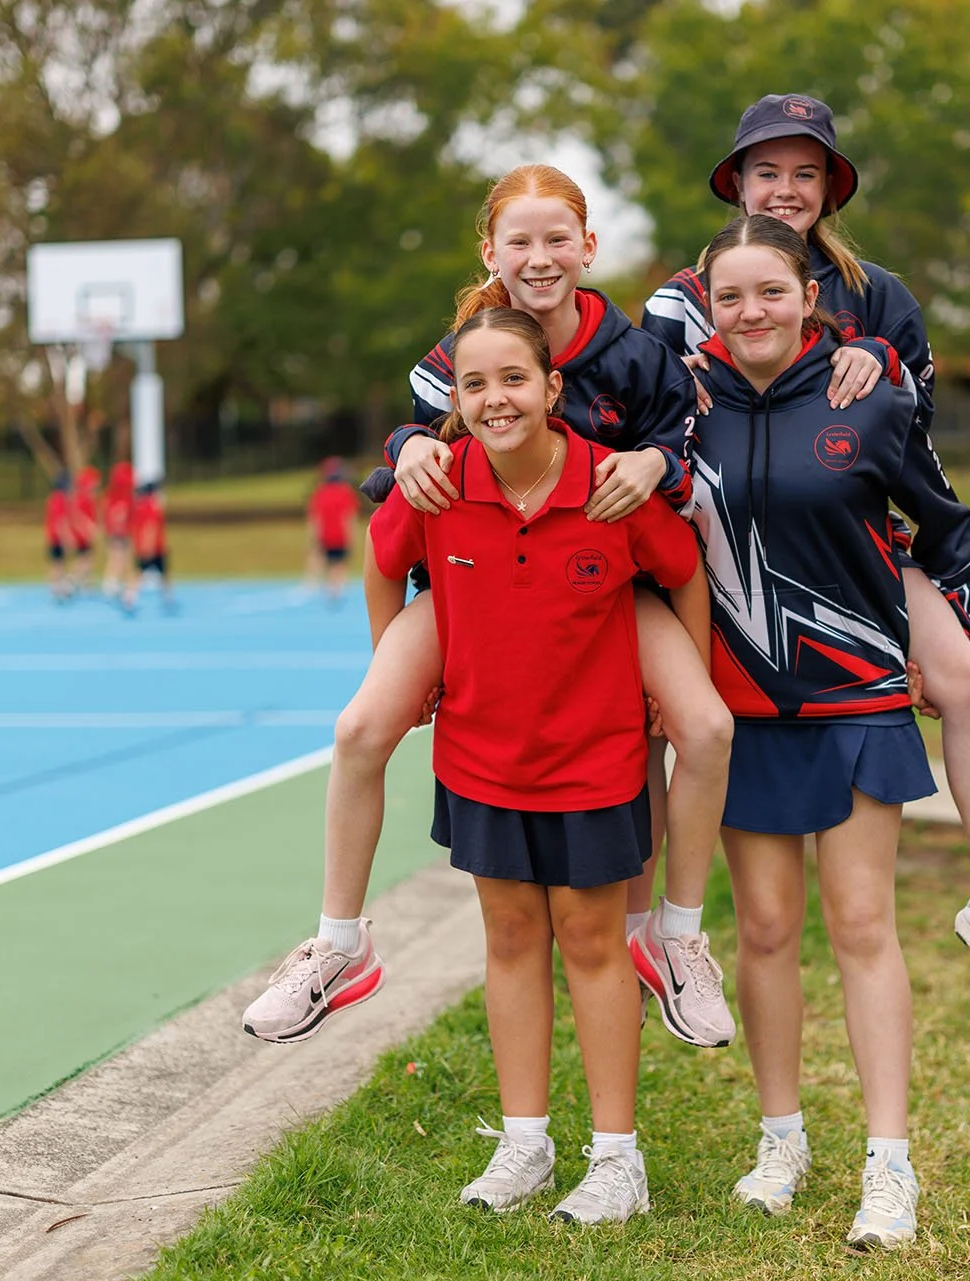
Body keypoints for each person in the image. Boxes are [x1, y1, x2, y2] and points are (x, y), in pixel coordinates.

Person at [245, 165, 738, 1051]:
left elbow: (687, 452)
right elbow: (412, 439)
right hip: (477, 578)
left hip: (606, 583)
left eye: (559, 240)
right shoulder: (461, 348)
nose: (539, 258)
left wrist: (657, 465)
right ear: (491, 252)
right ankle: (339, 944)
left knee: (698, 729)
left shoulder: (633, 354)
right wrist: (407, 455)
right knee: (361, 730)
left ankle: (675, 935)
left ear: (589, 247)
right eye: (520, 240)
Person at [644, 93, 970, 1005]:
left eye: (806, 173)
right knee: (664, 718)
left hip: (852, 547)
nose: (786, 189)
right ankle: (659, 931)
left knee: (967, 684)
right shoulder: (682, 299)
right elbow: (638, 404)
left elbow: (915, 452)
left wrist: (875, 356)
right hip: (730, 557)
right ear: (737, 181)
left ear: (831, 187)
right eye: (768, 171)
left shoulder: (878, 294)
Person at [368, 306, 708, 1223]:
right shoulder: (437, 485)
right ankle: (525, 1144)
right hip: (480, 757)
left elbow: (682, 570)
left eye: (514, 379)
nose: (495, 399)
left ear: (554, 388)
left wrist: (682, 690)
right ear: (456, 402)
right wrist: (397, 675)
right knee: (512, 940)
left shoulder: (610, 486)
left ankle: (617, 1161)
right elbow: (381, 558)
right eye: (474, 385)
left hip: (594, 762)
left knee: (594, 945)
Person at [685, 215, 970, 1250]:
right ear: (707, 305)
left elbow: (942, 524)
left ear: (809, 294)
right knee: (763, 929)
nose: (750, 312)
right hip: (746, 713)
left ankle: (888, 1164)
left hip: (855, 699)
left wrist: (948, 643)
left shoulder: (869, 396)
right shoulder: (682, 408)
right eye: (729, 297)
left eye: (769, 291)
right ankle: (780, 1137)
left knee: (860, 926)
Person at [306, 458, 359, 600]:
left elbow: (315, 518)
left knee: (320, 557)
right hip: (340, 535)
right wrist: (352, 535)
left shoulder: (320, 493)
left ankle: (312, 584)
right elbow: (348, 517)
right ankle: (336, 589)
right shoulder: (346, 492)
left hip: (324, 534)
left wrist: (314, 535)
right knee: (339, 563)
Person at [124, 481, 176, 614]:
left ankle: (130, 597)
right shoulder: (152, 507)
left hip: (144, 546)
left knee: (141, 573)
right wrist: (149, 545)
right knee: (161, 573)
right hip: (154, 548)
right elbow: (150, 527)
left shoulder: (139, 507)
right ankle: (167, 599)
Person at [100, 460, 135, 596]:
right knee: (117, 557)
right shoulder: (119, 495)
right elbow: (115, 514)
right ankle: (111, 583)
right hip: (117, 532)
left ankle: (121, 582)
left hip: (120, 531)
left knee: (124, 558)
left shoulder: (113, 494)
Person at [45, 473, 76, 600]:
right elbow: (61, 521)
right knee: (59, 563)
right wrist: (66, 538)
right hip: (57, 537)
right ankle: (57, 588)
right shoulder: (60, 499)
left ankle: (57, 587)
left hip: (52, 535)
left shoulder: (52, 498)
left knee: (57, 563)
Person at [72, 466, 101, 588]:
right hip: (82, 535)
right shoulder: (83, 499)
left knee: (87, 558)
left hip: (85, 534)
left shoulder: (87, 498)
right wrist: (88, 528)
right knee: (85, 559)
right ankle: (73, 581)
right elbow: (79, 517)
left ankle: (86, 581)